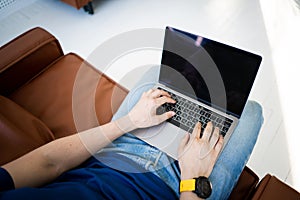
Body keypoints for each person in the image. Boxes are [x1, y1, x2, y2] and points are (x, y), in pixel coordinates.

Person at [0, 66, 263, 199]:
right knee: (250, 111)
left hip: (113, 153)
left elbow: (49, 162)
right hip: (177, 187)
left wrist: (128, 122)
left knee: (156, 78)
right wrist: (193, 177)